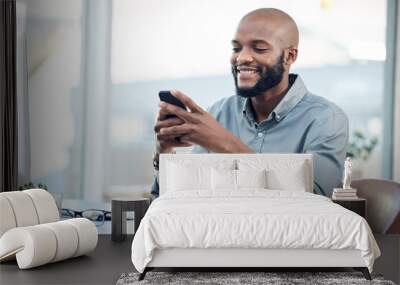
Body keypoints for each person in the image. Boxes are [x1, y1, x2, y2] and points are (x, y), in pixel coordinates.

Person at [152, 8, 348, 197]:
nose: (242, 57)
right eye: (236, 48)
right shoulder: (219, 112)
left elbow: (319, 200)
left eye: (259, 48)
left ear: (290, 56)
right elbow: (186, 195)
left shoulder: (326, 119)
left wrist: (225, 145)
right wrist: (165, 152)